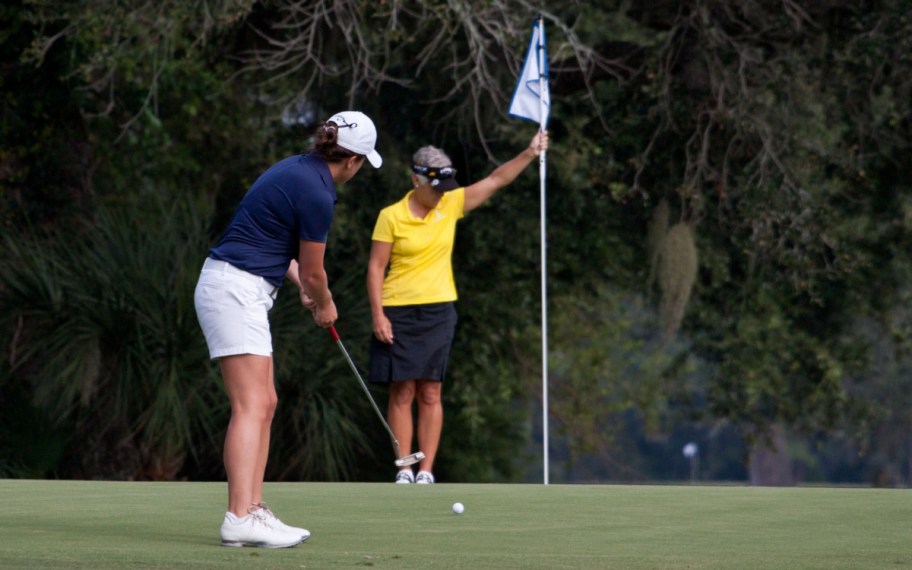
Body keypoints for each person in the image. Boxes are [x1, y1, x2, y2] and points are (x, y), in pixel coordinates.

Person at [194, 111, 382, 548]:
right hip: (234, 289)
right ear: (353, 161)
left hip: (241, 287)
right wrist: (325, 305)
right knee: (251, 405)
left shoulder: (297, 168)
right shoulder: (318, 192)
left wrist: (300, 284)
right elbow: (316, 272)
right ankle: (239, 515)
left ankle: (252, 511)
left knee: (266, 401)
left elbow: (278, 246)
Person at [366, 128, 548, 484]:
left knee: (431, 390)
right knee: (402, 390)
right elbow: (375, 268)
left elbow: (496, 180)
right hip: (398, 309)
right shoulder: (391, 216)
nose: (440, 195)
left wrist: (529, 152)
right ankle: (405, 466)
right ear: (416, 179)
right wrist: (378, 315)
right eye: (434, 188)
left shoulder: (450, 205)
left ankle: (426, 470)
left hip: (438, 310)